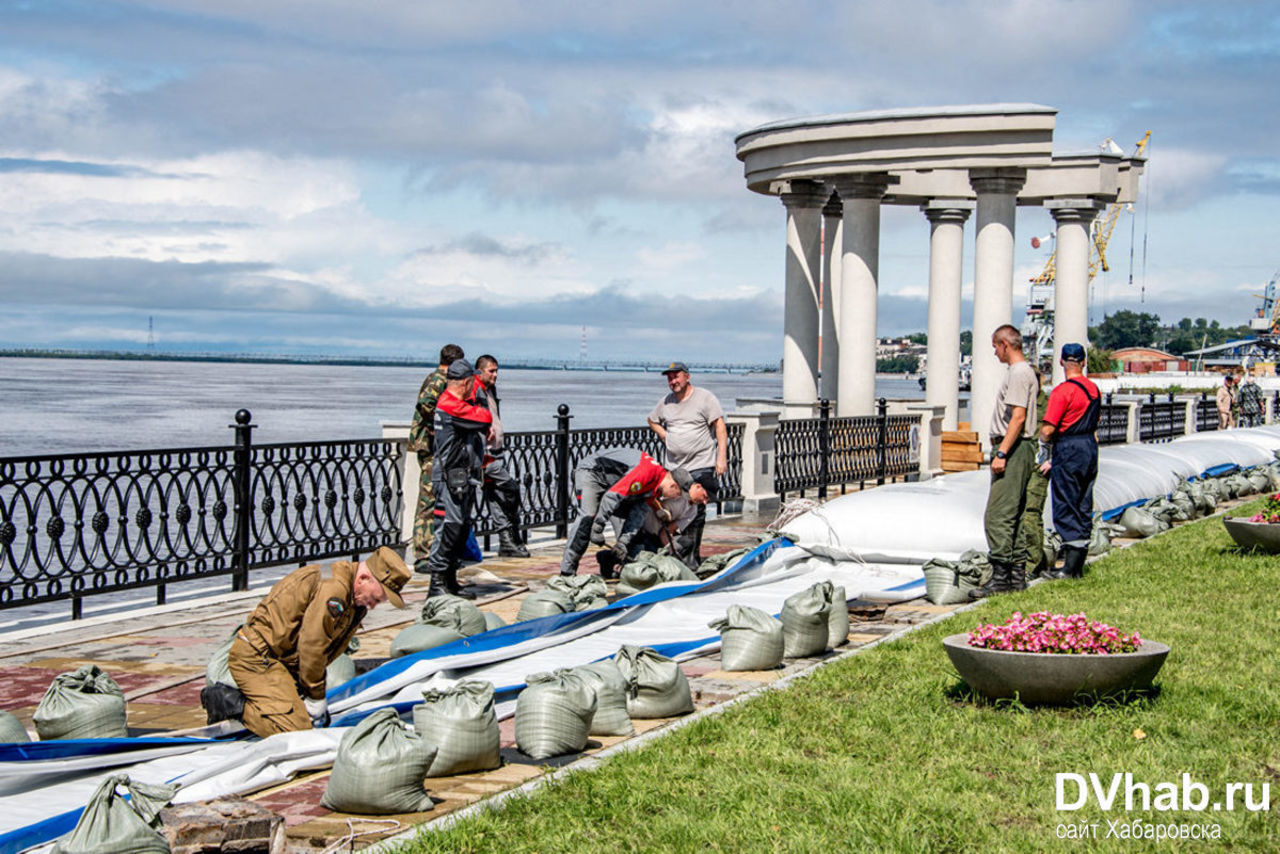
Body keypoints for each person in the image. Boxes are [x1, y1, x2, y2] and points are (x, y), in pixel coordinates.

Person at [227, 546, 409, 738]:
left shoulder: (354, 598)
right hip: (257, 658)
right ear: (364, 578)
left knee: (308, 722)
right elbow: (312, 646)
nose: (373, 605)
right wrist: (316, 695)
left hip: (284, 662)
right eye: (375, 598)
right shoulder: (334, 589)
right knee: (297, 733)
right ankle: (232, 704)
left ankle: (271, 703)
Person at [970, 325, 1040, 599]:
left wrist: (1002, 453)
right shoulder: (1024, 372)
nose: (994, 352)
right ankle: (1016, 576)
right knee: (1016, 513)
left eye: (995, 346)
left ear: (1005, 344)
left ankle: (1001, 577)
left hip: (1013, 448)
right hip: (1020, 447)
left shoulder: (1020, 373)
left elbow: (1018, 417)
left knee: (998, 515)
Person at [559, 447, 706, 577]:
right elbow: (611, 497)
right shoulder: (646, 473)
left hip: (615, 485)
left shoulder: (654, 488)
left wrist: (623, 542)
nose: (676, 498)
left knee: (634, 536)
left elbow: (637, 516)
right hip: (593, 474)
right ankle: (567, 573)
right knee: (586, 520)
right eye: (678, 494)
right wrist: (597, 527)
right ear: (673, 485)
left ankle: (620, 567)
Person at [423, 359, 492, 598]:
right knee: (450, 528)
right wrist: (481, 413)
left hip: (460, 475)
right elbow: (484, 417)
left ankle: (449, 581)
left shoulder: (452, 402)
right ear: (465, 382)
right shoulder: (451, 404)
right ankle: (437, 583)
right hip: (450, 475)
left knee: (460, 527)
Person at [647, 362, 726, 566]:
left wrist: (721, 458)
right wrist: (667, 436)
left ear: (687, 377)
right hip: (675, 468)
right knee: (678, 509)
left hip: (701, 463)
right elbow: (652, 420)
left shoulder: (705, 398)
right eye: (669, 378)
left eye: (676, 377)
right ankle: (675, 552)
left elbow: (720, 426)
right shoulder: (666, 402)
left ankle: (692, 558)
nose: (673, 381)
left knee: (697, 510)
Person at [1037, 343, 1101, 580]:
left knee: (1065, 502)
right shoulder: (1094, 389)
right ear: (1083, 362)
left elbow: (1049, 428)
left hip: (1069, 446)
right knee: (1083, 501)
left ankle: (1067, 569)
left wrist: (1043, 448)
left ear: (1062, 362)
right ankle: (1077, 565)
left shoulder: (1062, 392)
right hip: (1089, 447)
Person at [409, 344, 465, 573]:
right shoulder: (439, 379)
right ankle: (423, 554)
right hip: (431, 448)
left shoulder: (440, 377)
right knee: (428, 501)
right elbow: (425, 404)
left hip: (438, 449)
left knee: (438, 500)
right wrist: (440, 423)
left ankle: (438, 551)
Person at [474, 355, 530, 558]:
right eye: (491, 371)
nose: (496, 375)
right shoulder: (474, 391)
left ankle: (508, 542)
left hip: (497, 452)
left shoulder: (490, 390)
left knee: (497, 499)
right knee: (510, 490)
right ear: (480, 371)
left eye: (497, 370)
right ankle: (510, 538)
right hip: (485, 456)